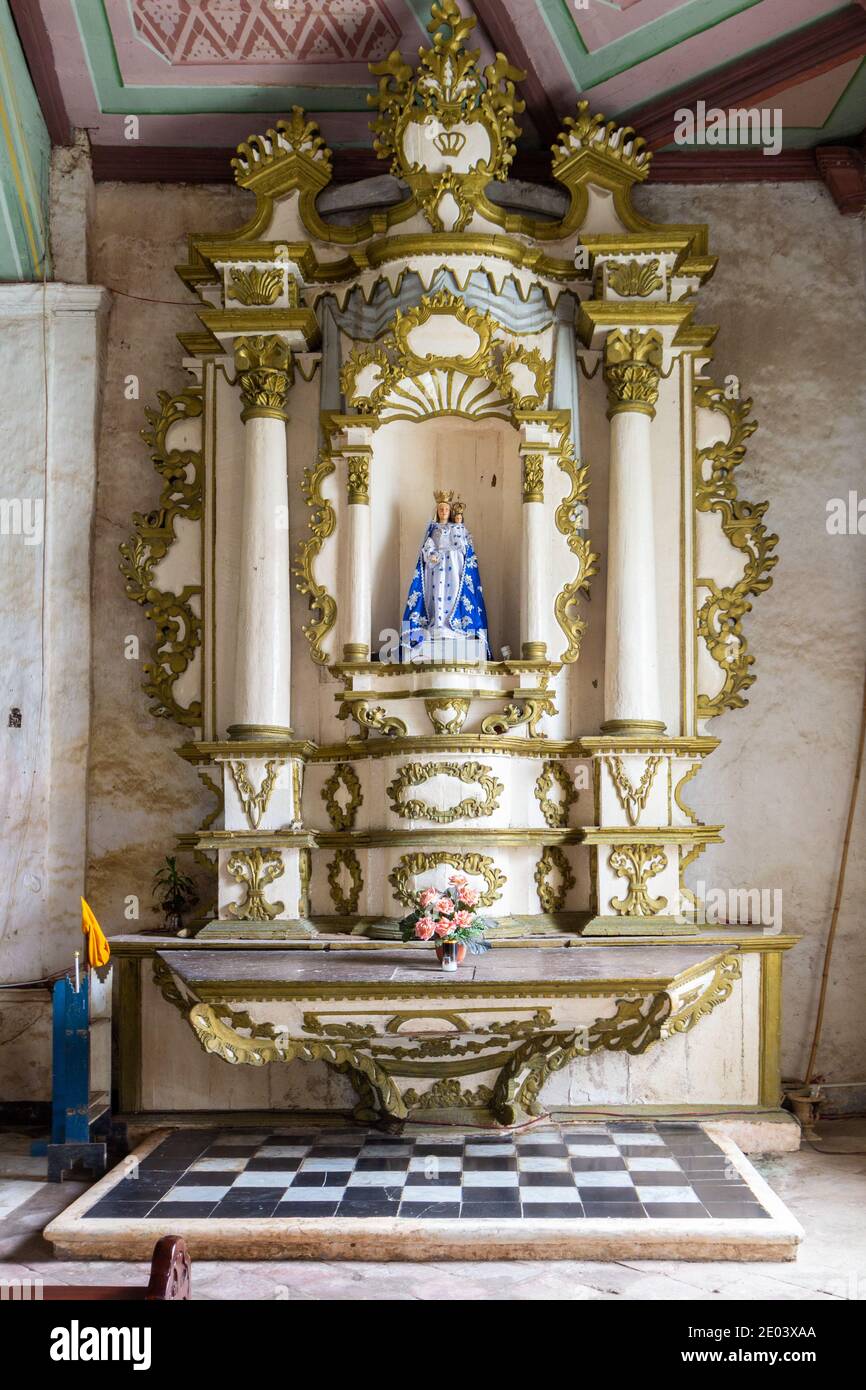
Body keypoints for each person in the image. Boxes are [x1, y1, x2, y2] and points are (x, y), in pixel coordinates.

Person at [401, 490, 490, 656]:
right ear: (437, 511)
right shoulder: (433, 530)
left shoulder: (456, 528)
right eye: (441, 509)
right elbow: (427, 546)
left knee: (454, 593)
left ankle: (452, 626)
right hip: (437, 569)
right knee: (437, 595)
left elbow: (465, 547)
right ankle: (437, 624)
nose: (443, 512)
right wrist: (431, 555)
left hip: (454, 568)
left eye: (446, 509)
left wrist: (455, 552)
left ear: (450, 512)